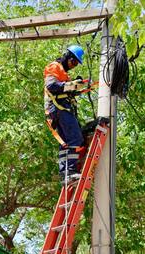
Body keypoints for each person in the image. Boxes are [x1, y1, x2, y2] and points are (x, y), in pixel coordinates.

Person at [44, 45, 91, 185]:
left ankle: (64, 174)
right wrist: (71, 85)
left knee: (65, 143)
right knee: (75, 138)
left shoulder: (63, 72)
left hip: (59, 108)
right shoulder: (54, 67)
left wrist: (76, 86)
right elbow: (52, 86)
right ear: (69, 58)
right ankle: (70, 172)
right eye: (74, 62)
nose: (74, 65)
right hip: (59, 108)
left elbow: (63, 88)